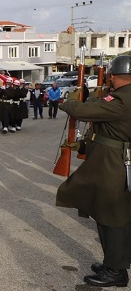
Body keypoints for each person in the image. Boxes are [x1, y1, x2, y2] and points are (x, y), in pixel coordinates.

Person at [56, 55, 131, 287]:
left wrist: (68, 101)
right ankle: (114, 263)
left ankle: (116, 271)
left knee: (112, 216)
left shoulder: (121, 100)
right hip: (114, 160)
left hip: (113, 163)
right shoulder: (122, 97)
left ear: (114, 76)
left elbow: (82, 110)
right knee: (110, 213)